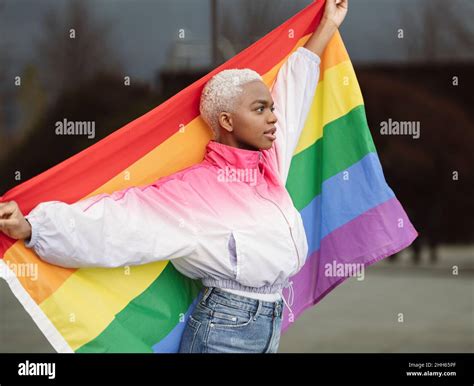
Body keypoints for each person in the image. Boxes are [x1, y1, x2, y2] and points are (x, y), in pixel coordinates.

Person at [0, 0, 348, 353]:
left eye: (270, 107)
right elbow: (119, 222)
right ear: (226, 121)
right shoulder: (194, 191)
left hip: (269, 322)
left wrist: (327, 27)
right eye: (259, 109)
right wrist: (33, 227)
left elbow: (295, 91)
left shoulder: (269, 166)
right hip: (224, 329)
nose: (273, 117)